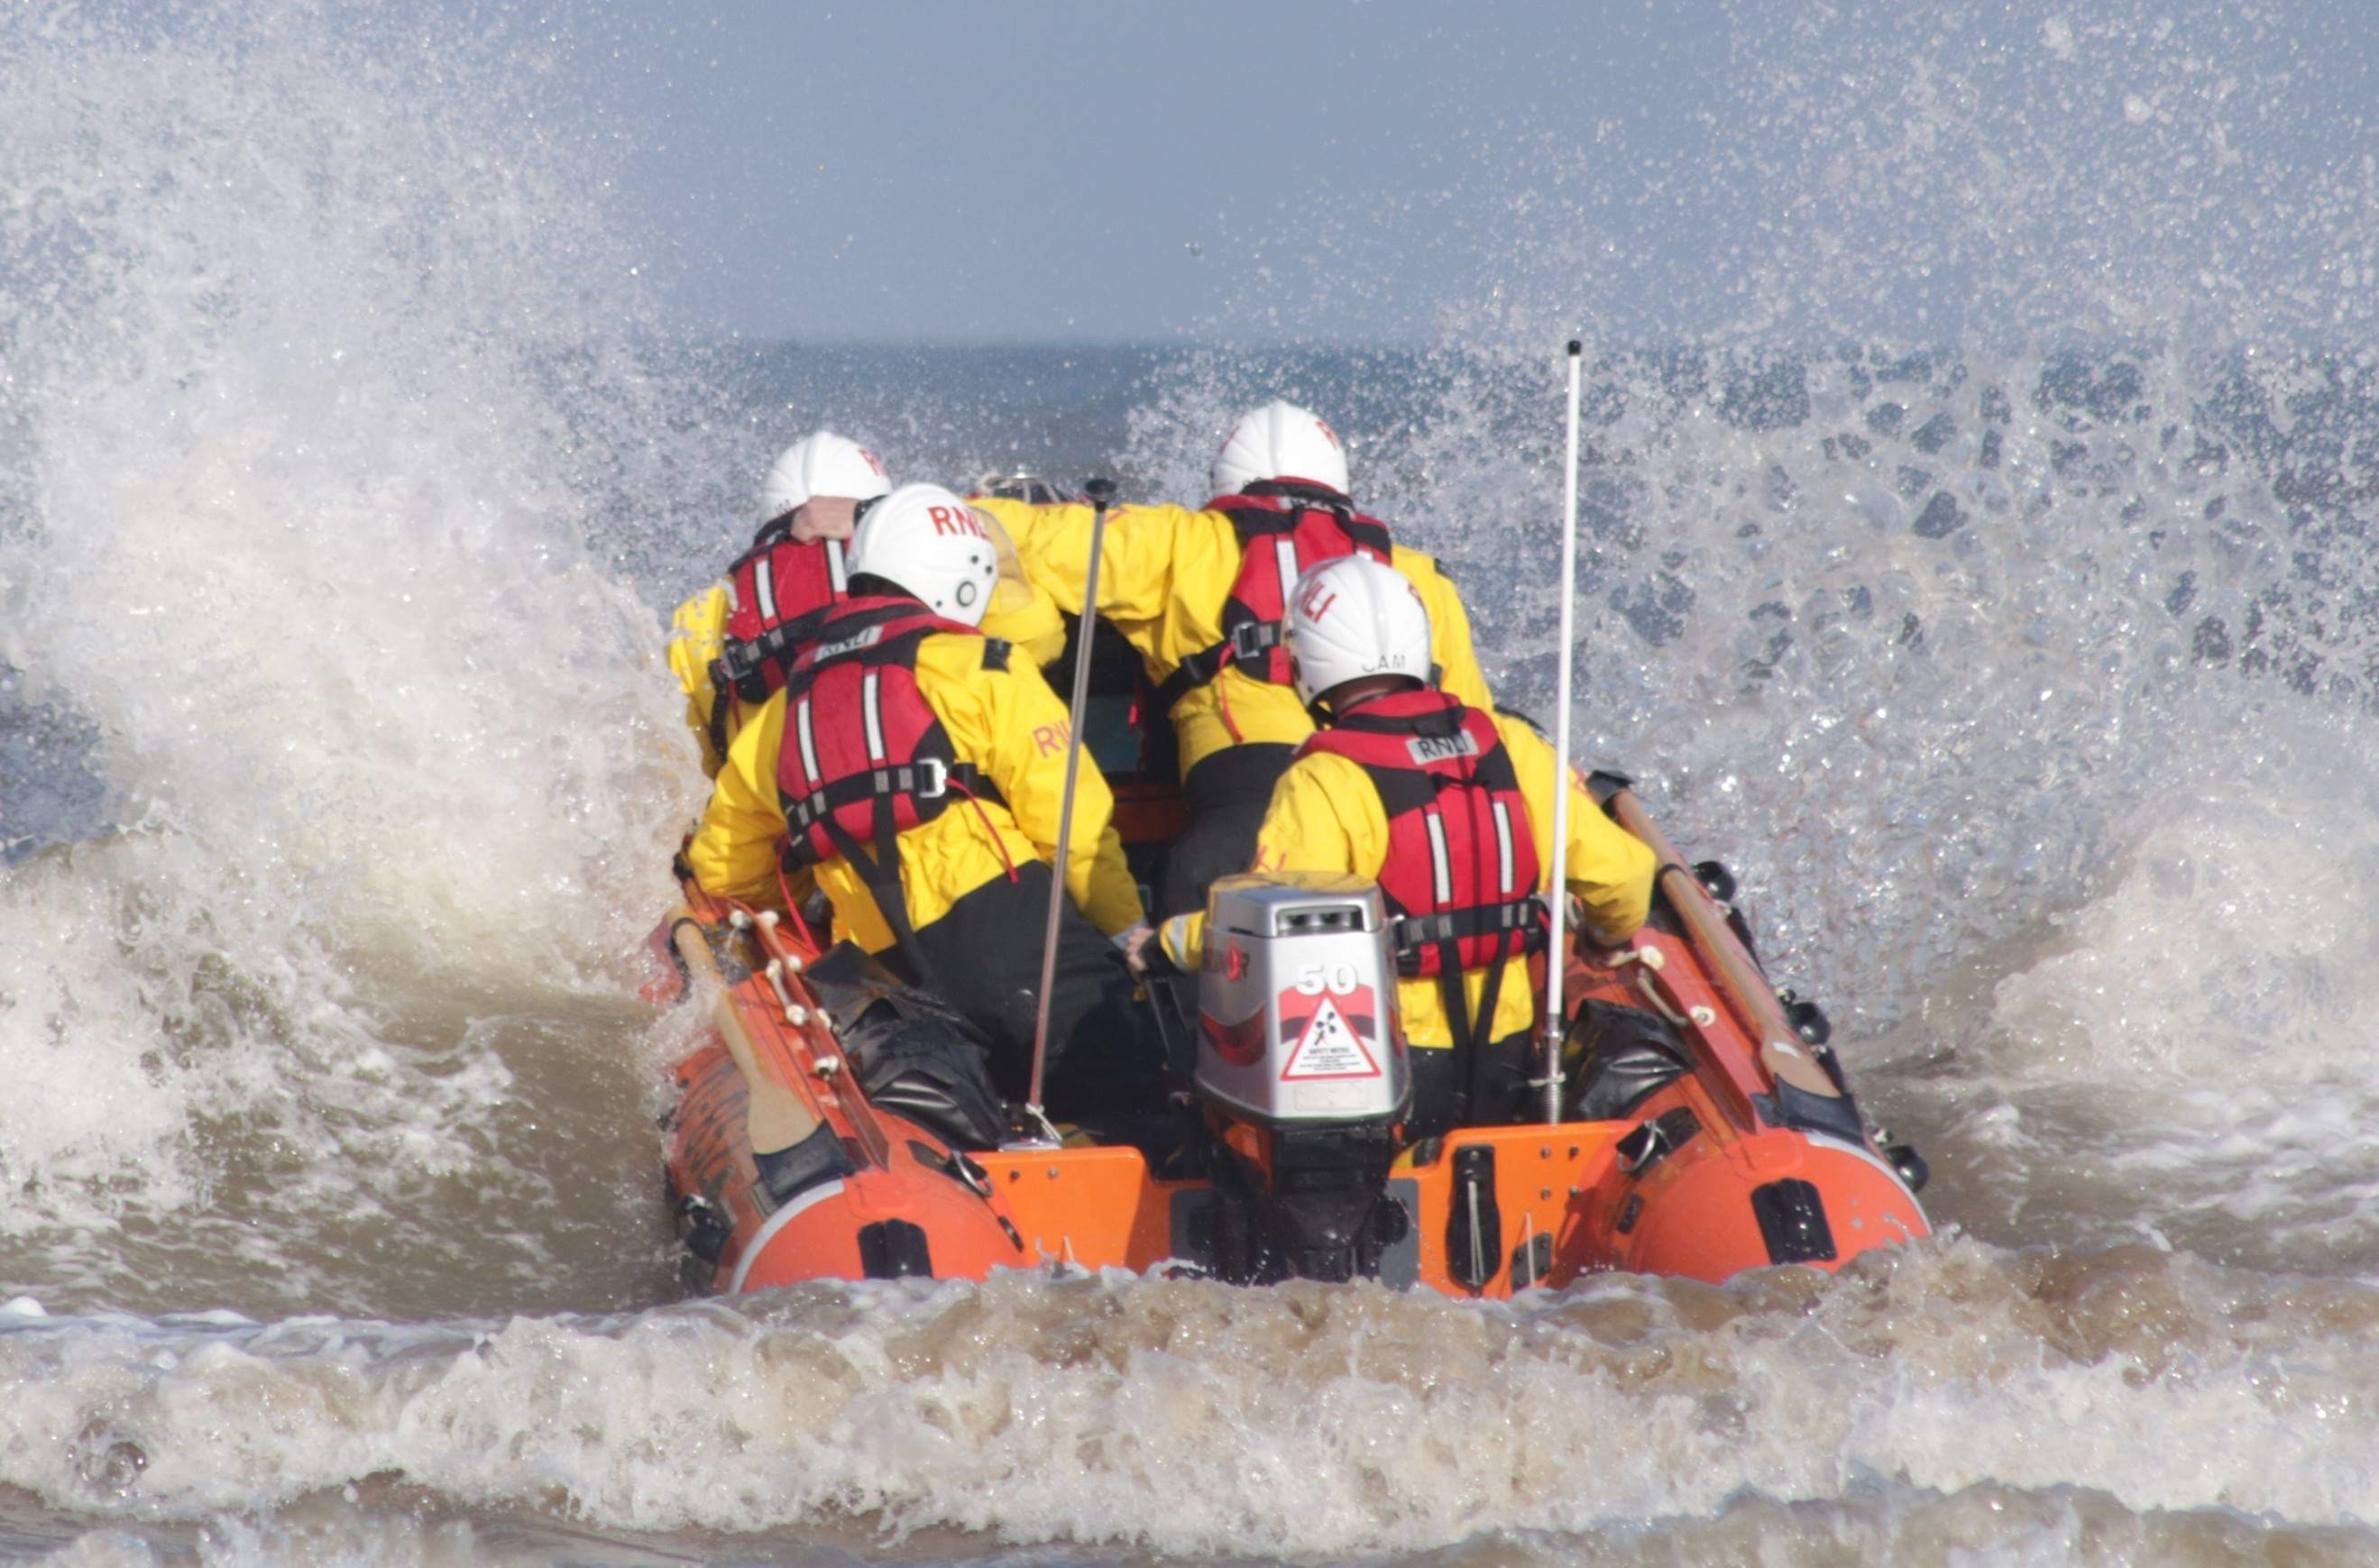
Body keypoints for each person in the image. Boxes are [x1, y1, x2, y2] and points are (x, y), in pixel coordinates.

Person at [685, 482, 1162, 1135]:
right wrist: (1126, 929)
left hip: (885, 982)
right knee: (1144, 1091)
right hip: (1014, 944)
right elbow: (1073, 826)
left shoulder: (779, 714)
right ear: (963, 579)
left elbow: (725, 870)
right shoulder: (983, 667)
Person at [1153, 555, 1656, 1140]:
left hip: (1387, 1054)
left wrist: (1169, 941)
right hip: (1511, 1045)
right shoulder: (1512, 746)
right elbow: (1624, 873)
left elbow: (1277, 928)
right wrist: (1605, 937)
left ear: (1307, 660)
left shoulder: (1325, 778)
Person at [972, 401, 1498, 918]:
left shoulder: (1184, 542)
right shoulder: (1418, 576)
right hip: (1408, 811)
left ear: (1226, 485)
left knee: (1198, 915)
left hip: (1248, 808)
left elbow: (989, 530)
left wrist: (1034, 632)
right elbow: (1477, 727)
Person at [668, 432, 1066, 774]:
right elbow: (1037, 638)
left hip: (793, 817)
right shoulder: (919, 557)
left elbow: (689, 763)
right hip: (934, 803)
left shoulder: (701, 613)